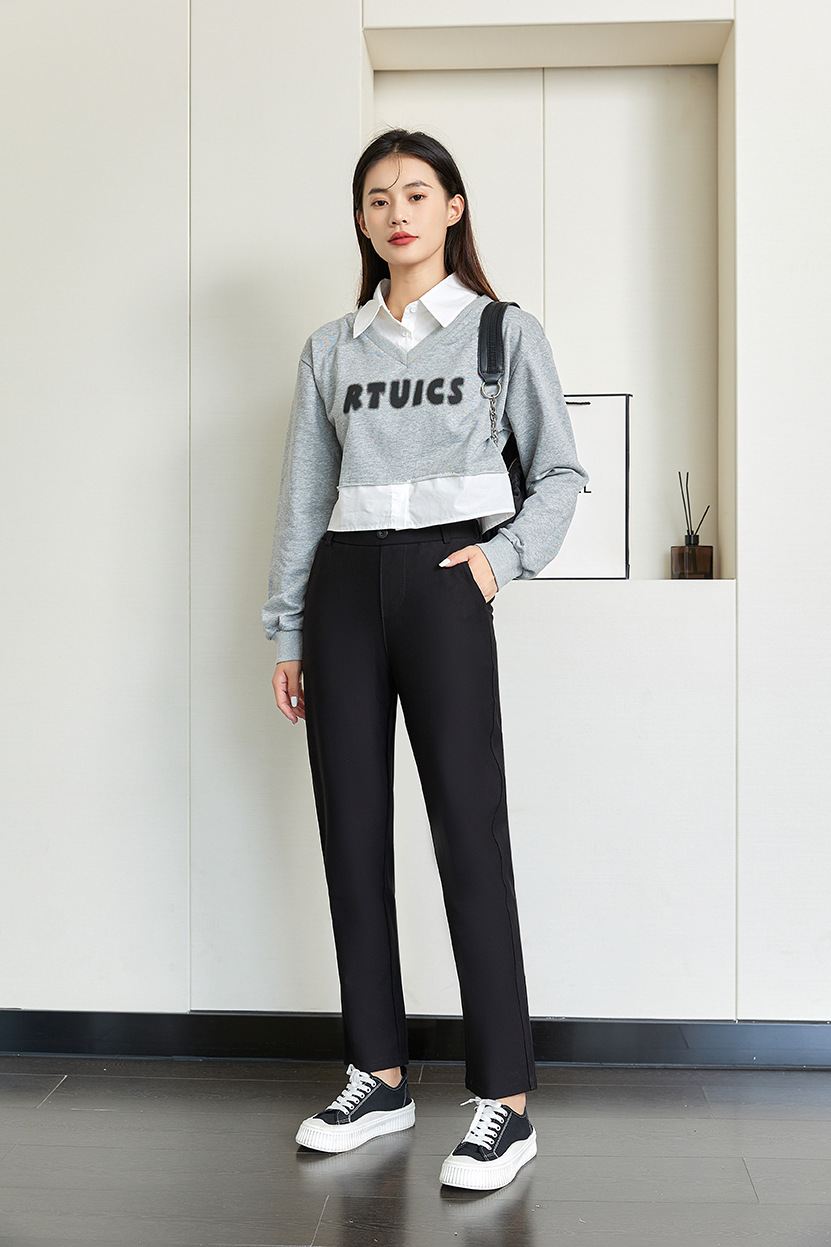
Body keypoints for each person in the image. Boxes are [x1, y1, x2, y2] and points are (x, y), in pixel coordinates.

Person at [262, 127, 587, 1191]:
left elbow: (559, 473)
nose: (395, 212)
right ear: (360, 221)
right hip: (344, 589)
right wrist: (287, 625)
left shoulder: (501, 331)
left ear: (452, 207)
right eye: (375, 198)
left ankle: (505, 1101)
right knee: (351, 831)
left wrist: (498, 563)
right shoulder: (332, 349)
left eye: (415, 193)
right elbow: (305, 498)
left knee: (468, 832)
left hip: (449, 580)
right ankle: (379, 1073)